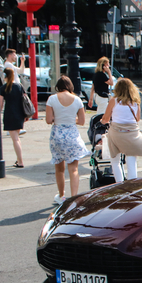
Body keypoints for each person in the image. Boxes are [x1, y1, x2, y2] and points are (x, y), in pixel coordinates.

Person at [45, 76, 90, 205]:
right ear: (70, 86)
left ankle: (61, 195)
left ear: (58, 87)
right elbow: (81, 121)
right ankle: (74, 198)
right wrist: (71, 119)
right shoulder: (77, 100)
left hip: (57, 135)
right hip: (72, 136)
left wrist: (57, 118)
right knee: (74, 169)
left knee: (59, 168)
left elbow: (48, 120)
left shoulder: (52, 99)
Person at [100, 78, 142, 183]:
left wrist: (103, 121)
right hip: (131, 133)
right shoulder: (135, 102)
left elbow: (105, 119)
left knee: (115, 160)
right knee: (131, 161)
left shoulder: (113, 101)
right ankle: (132, 185)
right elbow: (137, 118)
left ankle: (119, 183)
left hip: (116, 133)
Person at [0, 68, 27, 168]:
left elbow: (0, 105)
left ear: (5, 76)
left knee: (15, 139)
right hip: (19, 114)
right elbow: (24, 101)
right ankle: (19, 159)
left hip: (9, 114)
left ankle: (20, 162)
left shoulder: (3, 88)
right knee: (17, 138)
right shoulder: (19, 86)